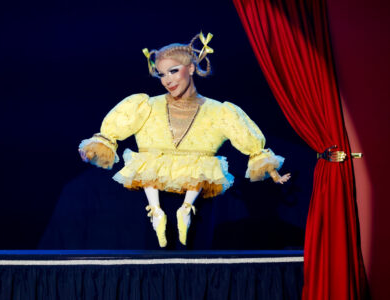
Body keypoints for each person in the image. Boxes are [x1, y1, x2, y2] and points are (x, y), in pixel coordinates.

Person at [78, 32, 291, 248]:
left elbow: (250, 144)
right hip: (154, 199)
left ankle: (186, 211)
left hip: (198, 204)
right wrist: (93, 151)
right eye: (161, 74)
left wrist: (273, 172)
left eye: (173, 71)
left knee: (192, 251)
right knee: (158, 253)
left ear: (190, 68)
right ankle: (157, 214)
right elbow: (114, 130)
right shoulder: (146, 106)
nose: (167, 80)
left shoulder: (219, 111)